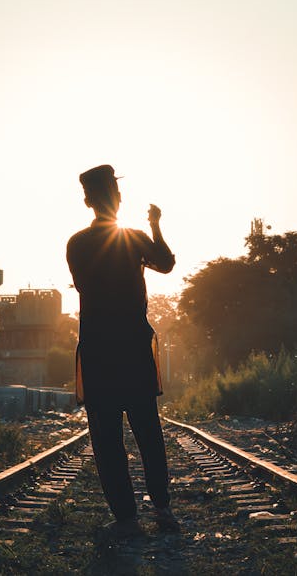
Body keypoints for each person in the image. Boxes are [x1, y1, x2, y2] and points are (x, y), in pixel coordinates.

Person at [66, 164, 179, 540]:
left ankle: (126, 517)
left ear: (87, 201)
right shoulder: (132, 239)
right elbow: (165, 263)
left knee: (107, 437)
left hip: (99, 350)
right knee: (148, 429)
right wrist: (155, 226)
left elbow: (84, 284)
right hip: (132, 347)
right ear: (118, 198)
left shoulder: (77, 244)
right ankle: (161, 508)